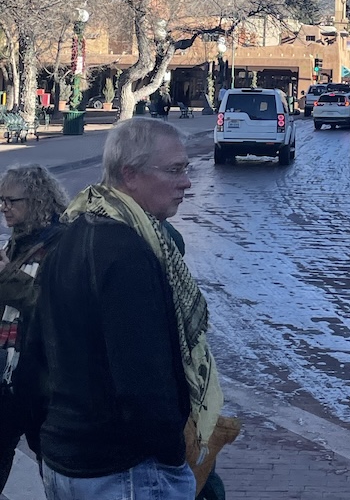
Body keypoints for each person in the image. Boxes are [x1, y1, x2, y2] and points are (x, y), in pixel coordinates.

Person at [27, 118, 226, 500]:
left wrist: (45, 443)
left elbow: (36, 359)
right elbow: (143, 382)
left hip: (67, 461)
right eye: (174, 170)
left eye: (185, 168)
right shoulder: (131, 253)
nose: (187, 181)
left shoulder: (70, 236)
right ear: (130, 175)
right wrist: (171, 458)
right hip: (124, 472)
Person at [0, 165, 67, 494]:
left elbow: (48, 302)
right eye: (0, 200)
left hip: (39, 377)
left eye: (11, 201)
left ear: (38, 200)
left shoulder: (61, 243)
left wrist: (4, 276)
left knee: (51, 462)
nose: (4, 208)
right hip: (9, 374)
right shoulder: (17, 242)